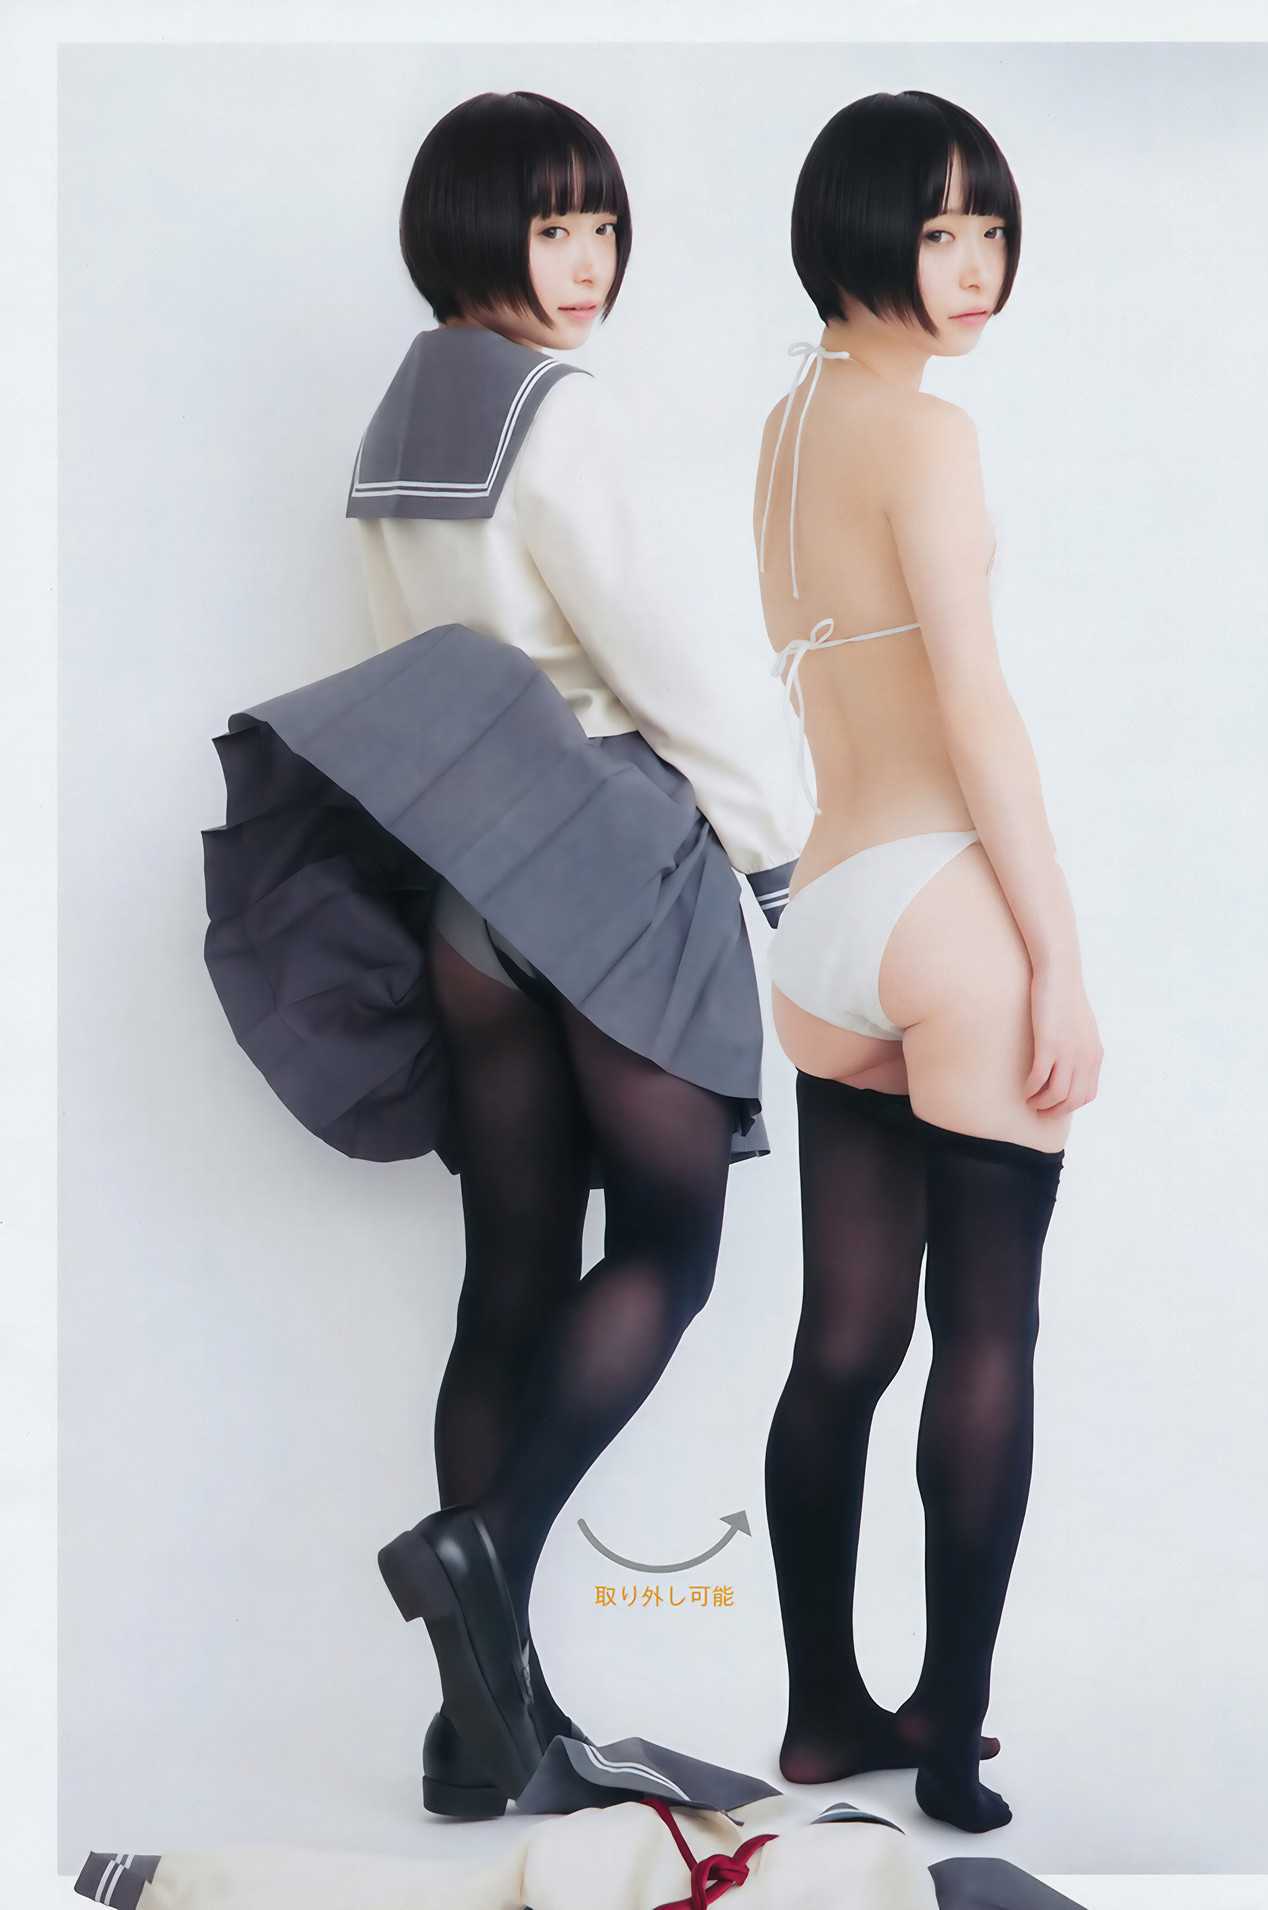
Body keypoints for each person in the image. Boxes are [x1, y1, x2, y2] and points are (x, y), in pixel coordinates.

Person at [201, 90, 805, 1820]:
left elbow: (409, 669)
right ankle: (490, 1546)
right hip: (605, 851)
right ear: (474, 230)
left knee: (510, 1283)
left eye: (602, 224)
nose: (588, 261)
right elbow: (671, 658)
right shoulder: (561, 412)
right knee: (669, 1250)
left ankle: (482, 1730)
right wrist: (776, 843)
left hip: (470, 885)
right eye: (552, 227)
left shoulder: (402, 415)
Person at [753, 91, 1102, 1834]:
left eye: (990, 230)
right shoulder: (928, 432)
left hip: (825, 912)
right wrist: (1060, 959)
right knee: (986, 1333)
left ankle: (824, 1713)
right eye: (939, 228)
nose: (973, 266)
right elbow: (974, 709)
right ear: (859, 229)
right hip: (943, 907)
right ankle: (950, 1740)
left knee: (842, 1340)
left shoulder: (788, 427)